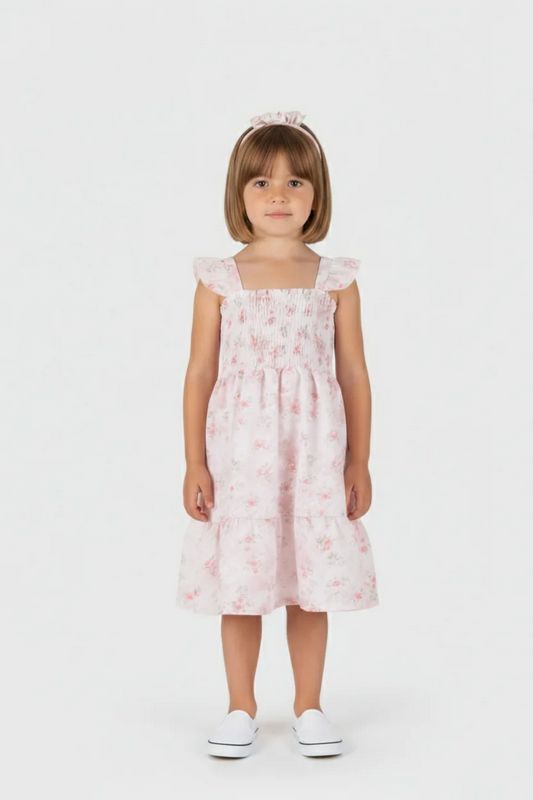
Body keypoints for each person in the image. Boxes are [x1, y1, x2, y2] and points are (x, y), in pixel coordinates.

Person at [176, 110, 379, 758]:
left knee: (309, 583)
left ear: (317, 194)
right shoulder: (219, 279)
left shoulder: (335, 279)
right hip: (239, 455)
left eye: (295, 182)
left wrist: (358, 460)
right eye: (261, 183)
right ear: (238, 194)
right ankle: (240, 707)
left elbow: (353, 373)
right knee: (241, 582)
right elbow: (200, 372)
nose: (279, 196)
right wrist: (194, 462)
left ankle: (309, 706)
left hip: (313, 453)